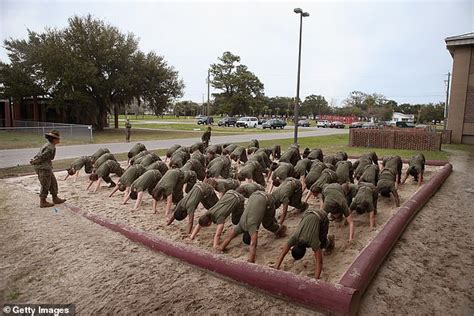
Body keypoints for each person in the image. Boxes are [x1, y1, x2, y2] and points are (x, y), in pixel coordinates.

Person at [219, 191, 287, 263]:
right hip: (254, 195)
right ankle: (274, 223)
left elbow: (253, 244)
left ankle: (281, 230)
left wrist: (251, 260)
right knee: (266, 217)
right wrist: (221, 247)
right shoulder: (240, 225)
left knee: (267, 224)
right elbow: (229, 237)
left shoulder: (250, 227)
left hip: (268, 199)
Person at [275, 208, 335, 279]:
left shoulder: (313, 241)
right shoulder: (295, 237)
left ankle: (330, 241)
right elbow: (283, 252)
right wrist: (276, 268)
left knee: (322, 244)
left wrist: (315, 279)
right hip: (308, 212)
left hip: (322, 216)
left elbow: (319, 262)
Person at [30, 129, 66, 207]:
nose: (59, 140)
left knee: (53, 182)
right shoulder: (50, 147)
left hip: (46, 167)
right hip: (43, 168)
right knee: (45, 184)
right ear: (54, 139)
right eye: (58, 138)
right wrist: (34, 161)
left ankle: (55, 198)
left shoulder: (50, 145)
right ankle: (43, 202)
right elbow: (41, 157)